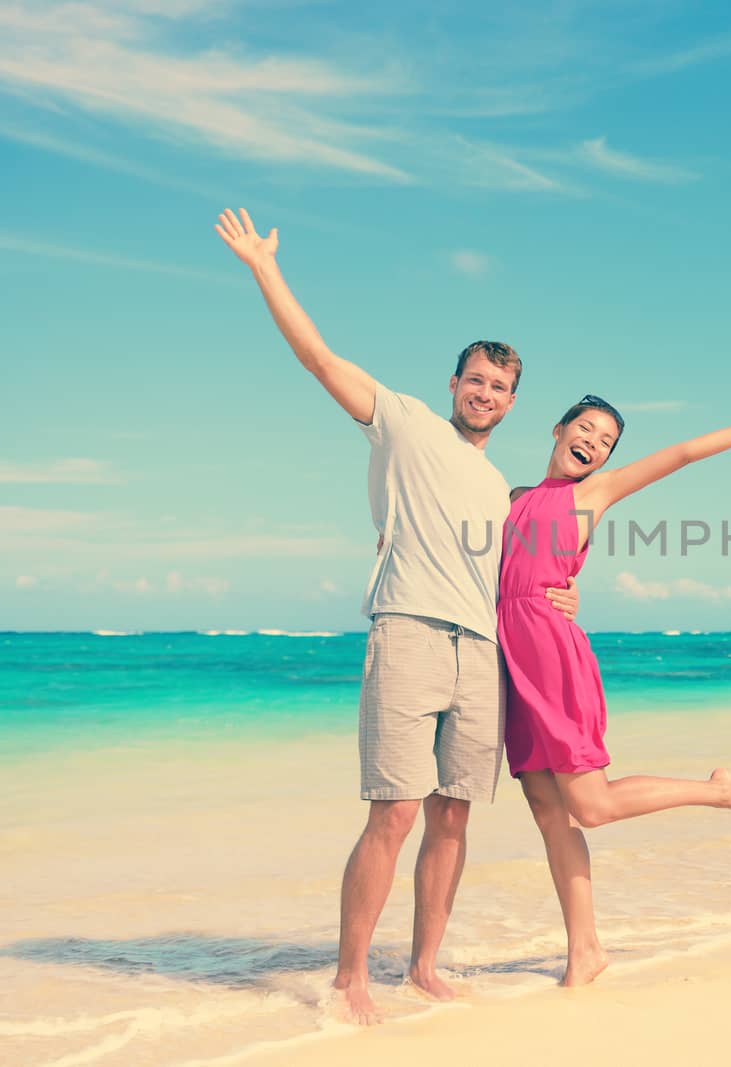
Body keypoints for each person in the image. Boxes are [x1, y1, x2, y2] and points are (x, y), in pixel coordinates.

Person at [213, 208, 580, 1025]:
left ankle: (422, 965)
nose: (486, 393)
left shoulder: (503, 489)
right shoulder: (404, 421)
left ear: (513, 402)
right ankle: (350, 976)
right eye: (476, 380)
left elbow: (527, 567)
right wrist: (264, 268)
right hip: (409, 630)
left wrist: (564, 594)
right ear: (454, 384)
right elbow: (317, 357)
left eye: (501, 387)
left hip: (479, 650)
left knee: (454, 812)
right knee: (397, 809)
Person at [498, 394, 731, 986]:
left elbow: (684, 453)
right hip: (510, 664)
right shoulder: (514, 499)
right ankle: (585, 952)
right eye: (585, 429)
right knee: (549, 814)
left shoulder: (592, 495)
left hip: (550, 657)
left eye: (605, 442)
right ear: (558, 428)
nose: (592, 443)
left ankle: (718, 791)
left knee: (590, 807)